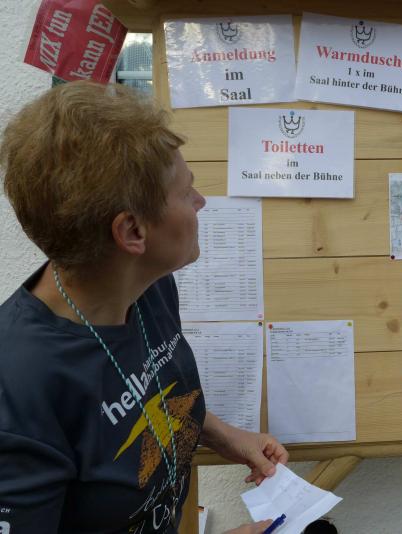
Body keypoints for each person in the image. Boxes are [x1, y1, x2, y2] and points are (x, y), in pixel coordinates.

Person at [0, 81, 288, 533]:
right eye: (186, 192)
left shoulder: (147, 287)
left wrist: (221, 434)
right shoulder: (19, 391)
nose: (200, 202)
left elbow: (141, 396)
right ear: (132, 232)